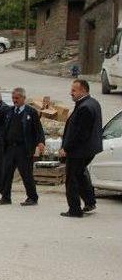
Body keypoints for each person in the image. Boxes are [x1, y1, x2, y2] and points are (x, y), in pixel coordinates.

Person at [58, 80, 103, 218]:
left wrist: (66, 148)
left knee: (71, 178)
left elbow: (80, 134)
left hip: (79, 150)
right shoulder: (91, 103)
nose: (71, 93)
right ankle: (90, 202)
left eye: (74, 90)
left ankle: (74, 209)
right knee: (80, 174)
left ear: (83, 91)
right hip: (86, 149)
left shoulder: (85, 107)